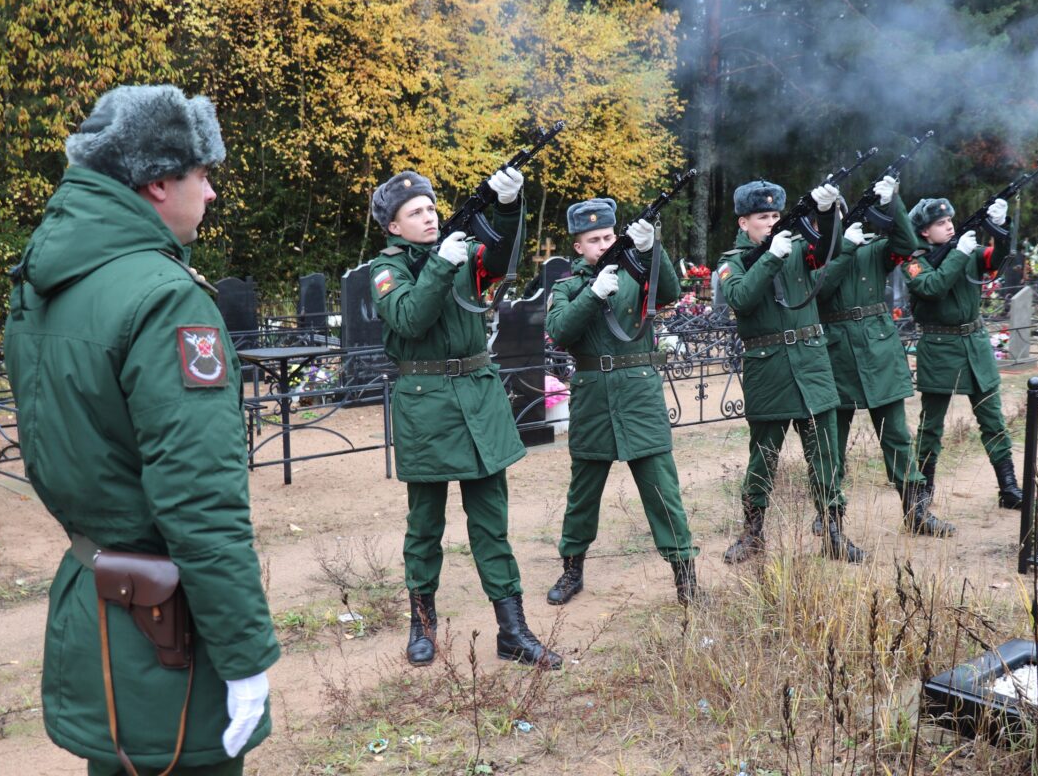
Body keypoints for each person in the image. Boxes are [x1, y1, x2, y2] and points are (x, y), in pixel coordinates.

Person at [4, 85, 279, 775]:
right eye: (202, 174)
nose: (210, 192)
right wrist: (244, 655)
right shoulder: (164, 298)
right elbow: (199, 500)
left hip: (93, 594)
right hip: (168, 630)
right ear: (158, 182)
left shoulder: (44, 281)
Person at [369, 167, 561, 669]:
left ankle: (512, 631)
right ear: (393, 226)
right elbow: (410, 319)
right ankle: (422, 624)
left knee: (491, 523)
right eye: (415, 212)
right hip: (426, 406)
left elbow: (500, 257)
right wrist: (439, 266)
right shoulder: (386, 270)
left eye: (431, 208)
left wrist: (509, 207)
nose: (428, 216)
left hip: (478, 398)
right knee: (424, 525)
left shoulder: (461, 252)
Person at [543, 199, 699, 606]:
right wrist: (593, 295)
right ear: (578, 246)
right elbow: (560, 331)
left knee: (663, 492)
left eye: (608, 236)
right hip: (593, 399)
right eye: (593, 239)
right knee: (583, 495)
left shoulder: (636, 273)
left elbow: (670, 291)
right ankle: (572, 570)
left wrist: (651, 250)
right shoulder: (567, 287)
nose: (602, 244)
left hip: (639, 395)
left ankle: (685, 577)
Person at [717, 179, 866, 564]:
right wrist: (770, 258)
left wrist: (826, 213)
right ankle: (752, 534)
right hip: (769, 371)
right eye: (762, 217)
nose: (770, 222)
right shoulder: (732, 262)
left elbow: (830, 250)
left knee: (826, 455)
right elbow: (741, 299)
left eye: (774, 215)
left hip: (812, 364)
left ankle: (833, 532)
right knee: (763, 458)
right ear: (743, 223)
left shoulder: (798, 247)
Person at [816, 176, 955, 537]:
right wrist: (844, 248)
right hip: (837, 352)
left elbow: (907, 244)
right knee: (833, 441)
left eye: (839, 213)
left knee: (896, 436)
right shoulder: (813, 254)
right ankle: (829, 512)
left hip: (878, 348)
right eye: (828, 216)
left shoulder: (874, 248)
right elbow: (821, 290)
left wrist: (893, 204)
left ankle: (916, 510)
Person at [903, 197, 1024, 510]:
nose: (949, 226)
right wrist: (959, 253)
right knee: (931, 425)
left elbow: (997, 259)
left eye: (950, 221)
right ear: (925, 232)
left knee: (992, 419)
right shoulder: (914, 262)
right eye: (940, 223)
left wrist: (1000, 228)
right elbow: (932, 288)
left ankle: (1009, 487)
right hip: (939, 347)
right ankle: (924, 488)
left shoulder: (966, 250)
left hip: (975, 344)